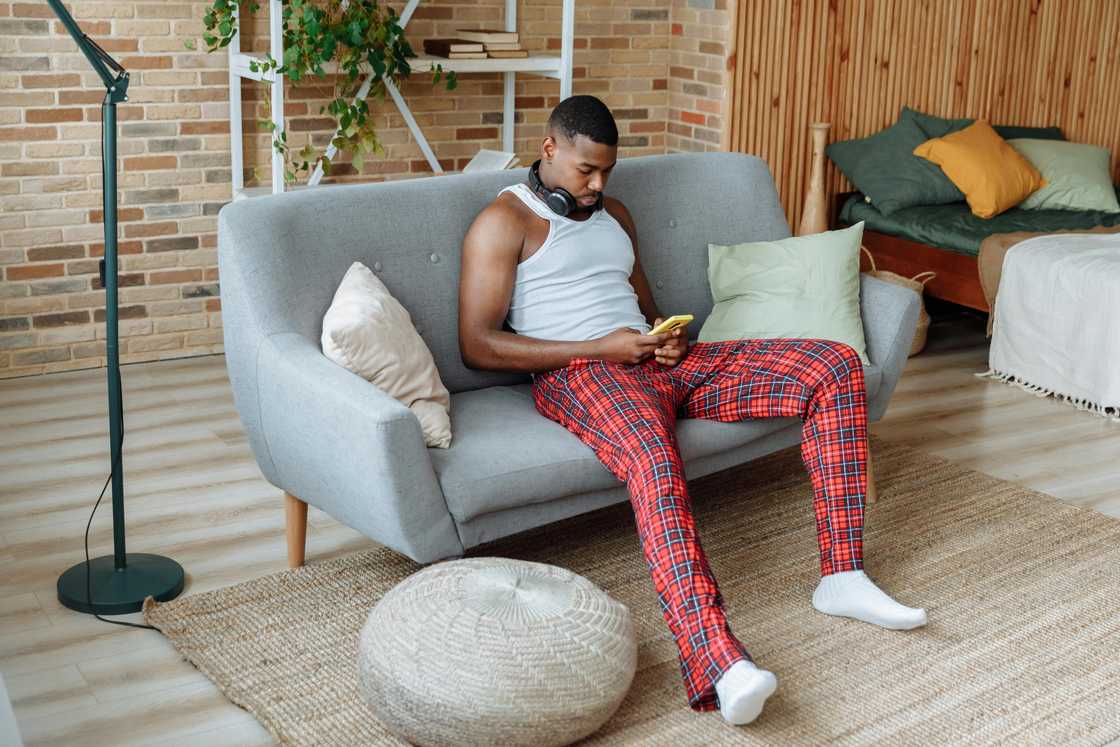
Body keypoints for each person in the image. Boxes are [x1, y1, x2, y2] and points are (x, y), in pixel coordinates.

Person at [457, 95, 927, 726]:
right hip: (581, 374)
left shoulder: (614, 213)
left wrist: (665, 337)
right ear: (550, 150)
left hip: (657, 362)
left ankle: (841, 575)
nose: (597, 186)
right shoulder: (503, 221)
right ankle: (717, 660)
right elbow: (478, 345)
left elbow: (643, 309)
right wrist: (605, 346)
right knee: (654, 456)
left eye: (606, 172)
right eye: (585, 171)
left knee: (834, 365)